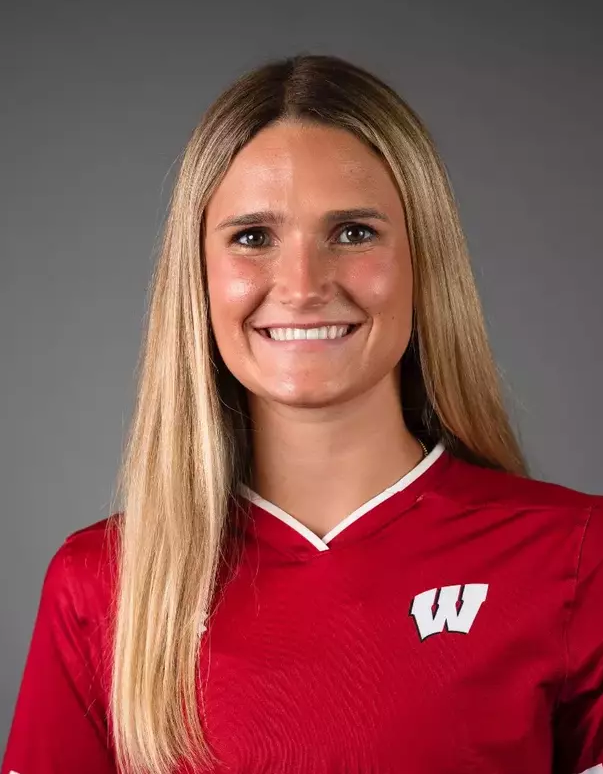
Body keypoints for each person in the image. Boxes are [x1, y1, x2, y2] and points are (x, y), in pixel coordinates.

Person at [2, 53, 602, 774]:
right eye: (252, 237)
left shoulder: (574, 556)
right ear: (198, 274)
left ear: (422, 258)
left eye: (352, 232)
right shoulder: (101, 583)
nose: (301, 284)